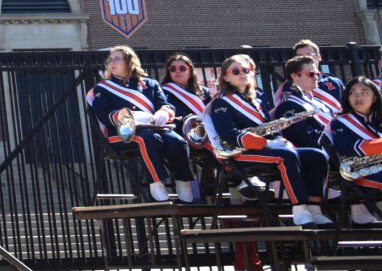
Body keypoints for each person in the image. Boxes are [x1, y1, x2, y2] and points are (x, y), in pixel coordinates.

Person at [208, 53, 332, 227]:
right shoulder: (221, 103)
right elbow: (230, 134)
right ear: (226, 76)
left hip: (265, 148)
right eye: (235, 71)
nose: (242, 74)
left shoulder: (258, 98)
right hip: (241, 153)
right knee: (285, 157)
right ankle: (299, 209)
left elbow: (270, 126)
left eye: (246, 70)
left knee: (316, 156)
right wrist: (266, 143)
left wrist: (279, 139)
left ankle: (315, 209)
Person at [87, 44, 196, 203]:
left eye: (117, 58)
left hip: (154, 128)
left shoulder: (150, 84)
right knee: (147, 139)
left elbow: (166, 105)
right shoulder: (103, 88)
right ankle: (156, 183)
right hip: (121, 134)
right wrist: (130, 117)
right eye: (110, 59)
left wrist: (163, 113)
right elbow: (104, 114)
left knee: (177, 141)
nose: (112, 62)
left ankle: (183, 183)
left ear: (129, 62)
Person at [331, 77, 382, 224]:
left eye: (364, 92)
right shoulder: (340, 122)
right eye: (352, 93)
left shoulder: (377, 121)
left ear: (374, 98)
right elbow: (352, 149)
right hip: (350, 168)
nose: (358, 97)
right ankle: (359, 211)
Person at [274, 55, 338, 153]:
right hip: (322, 156)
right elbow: (306, 139)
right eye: (311, 74)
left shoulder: (319, 101)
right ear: (294, 76)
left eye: (318, 73)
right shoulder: (288, 106)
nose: (316, 77)